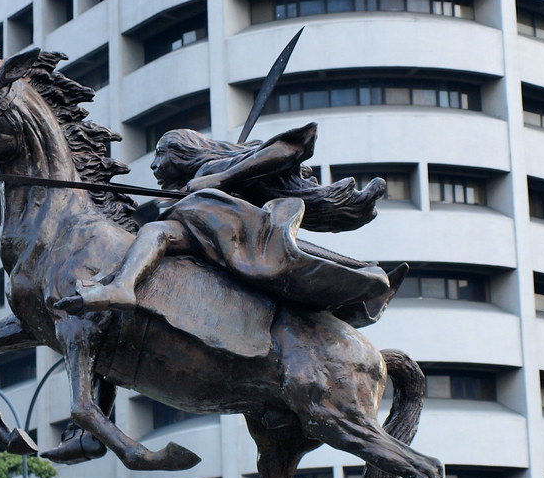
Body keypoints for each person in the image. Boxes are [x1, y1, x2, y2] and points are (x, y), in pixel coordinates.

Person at [55, 122, 406, 328]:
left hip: (230, 237)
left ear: (180, 152)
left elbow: (293, 144)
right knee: (157, 230)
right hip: (216, 241)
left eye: (160, 154)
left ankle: (122, 288)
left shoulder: (211, 174)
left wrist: (220, 177)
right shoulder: (196, 187)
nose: (155, 165)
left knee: (155, 232)